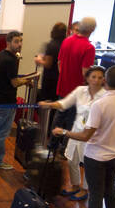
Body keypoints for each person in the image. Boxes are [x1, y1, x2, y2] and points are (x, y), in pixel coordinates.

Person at [42, 65, 105, 200]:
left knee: (88, 164)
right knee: (72, 161)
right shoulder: (81, 91)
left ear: (104, 80)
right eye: (93, 77)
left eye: (100, 77)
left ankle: (85, 189)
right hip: (76, 132)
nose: (96, 80)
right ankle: (75, 185)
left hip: (92, 136)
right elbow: (64, 103)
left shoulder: (104, 96)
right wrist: (49, 105)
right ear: (87, 78)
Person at [0, 29, 35, 172]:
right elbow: (14, 83)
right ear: (8, 42)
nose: (19, 44)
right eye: (16, 41)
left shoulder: (0, 55)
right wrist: (26, 81)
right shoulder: (10, 60)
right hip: (6, 101)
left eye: (20, 41)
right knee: (1, 132)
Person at [57, 17, 97, 98]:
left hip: (62, 88)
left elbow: (59, 63)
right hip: (77, 92)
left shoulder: (66, 41)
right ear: (92, 30)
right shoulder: (89, 48)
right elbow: (85, 73)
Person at [36, 22, 66, 105]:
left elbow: (48, 64)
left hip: (50, 80)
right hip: (60, 79)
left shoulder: (51, 45)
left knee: (47, 104)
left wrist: (39, 60)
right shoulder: (66, 44)